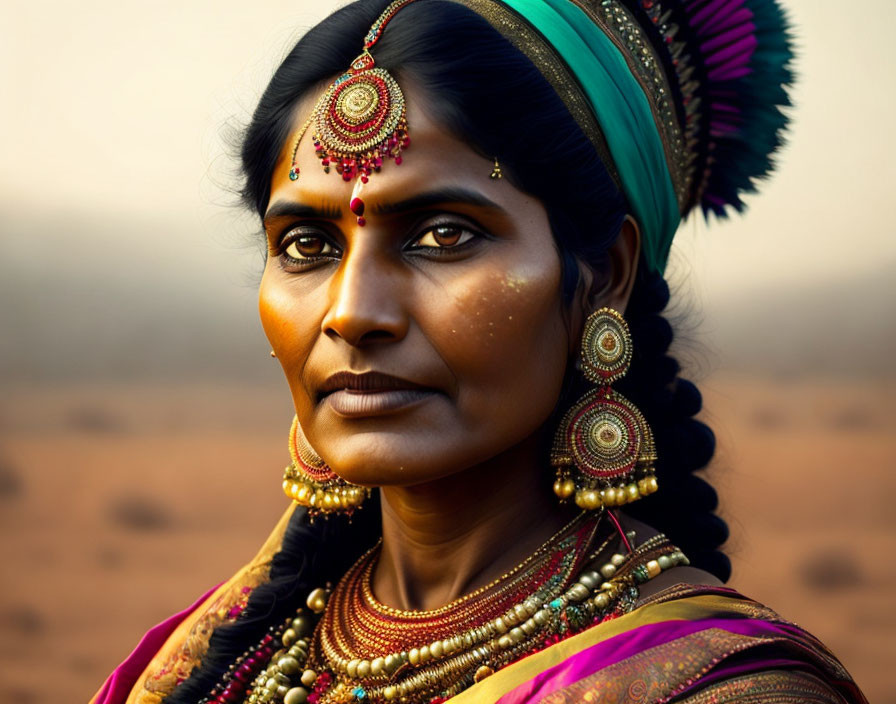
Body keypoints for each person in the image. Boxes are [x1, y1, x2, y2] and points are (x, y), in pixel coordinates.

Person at [92, 0, 868, 702]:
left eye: (443, 235)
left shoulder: (725, 693)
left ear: (606, 276)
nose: (352, 313)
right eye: (306, 243)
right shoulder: (229, 662)